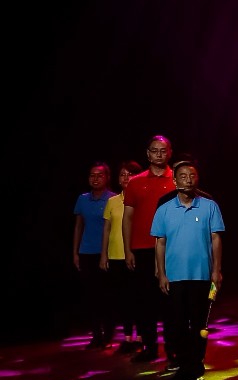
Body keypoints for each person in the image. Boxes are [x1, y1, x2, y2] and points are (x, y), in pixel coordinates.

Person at [150, 161, 225, 380]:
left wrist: (216, 270)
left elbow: (216, 239)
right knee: (178, 324)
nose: (188, 179)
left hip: (202, 276)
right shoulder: (164, 209)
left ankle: (196, 365)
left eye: (192, 175)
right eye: (183, 176)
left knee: (199, 324)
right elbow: (160, 242)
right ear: (174, 181)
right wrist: (161, 273)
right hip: (174, 277)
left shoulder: (210, 206)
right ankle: (183, 366)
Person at [121, 135, 177, 363]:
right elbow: (127, 218)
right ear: (147, 153)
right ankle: (150, 347)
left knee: (171, 301)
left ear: (169, 153)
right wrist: (128, 250)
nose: (159, 154)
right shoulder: (135, 182)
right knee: (145, 301)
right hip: (143, 248)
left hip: (172, 248)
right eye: (155, 150)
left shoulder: (177, 179)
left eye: (163, 150)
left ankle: (173, 348)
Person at [99, 159, 143, 352]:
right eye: (122, 174)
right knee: (123, 299)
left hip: (135, 254)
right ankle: (127, 338)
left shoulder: (141, 199)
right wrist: (103, 255)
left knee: (138, 298)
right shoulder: (112, 201)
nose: (126, 178)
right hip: (115, 256)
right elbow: (106, 229)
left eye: (130, 174)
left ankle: (141, 337)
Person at [73, 163, 114, 348]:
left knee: (106, 295)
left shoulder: (112, 199)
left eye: (99, 175)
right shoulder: (82, 199)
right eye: (92, 175)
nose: (95, 178)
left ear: (107, 178)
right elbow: (78, 226)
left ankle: (108, 334)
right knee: (91, 297)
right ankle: (96, 335)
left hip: (107, 253)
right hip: (87, 252)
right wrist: (75, 252)